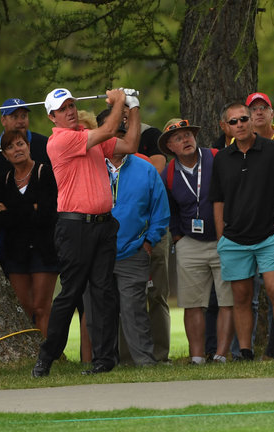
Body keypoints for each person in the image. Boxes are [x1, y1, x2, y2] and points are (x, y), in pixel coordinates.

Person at [32, 87, 140, 377]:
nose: (69, 110)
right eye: (62, 108)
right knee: (71, 292)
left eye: (71, 105)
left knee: (104, 293)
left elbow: (129, 144)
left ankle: (104, 360)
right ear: (52, 116)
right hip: (74, 226)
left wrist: (134, 105)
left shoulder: (88, 138)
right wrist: (118, 102)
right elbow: (109, 128)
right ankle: (47, 355)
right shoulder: (62, 141)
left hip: (104, 225)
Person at [209, 101, 274, 360]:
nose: (239, 125)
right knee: (241, 296)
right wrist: (221, 236)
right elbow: (217, 200)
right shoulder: (222, 158)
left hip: (269, 236)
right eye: (233, 121)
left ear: (251, 120)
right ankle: (245, 351)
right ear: (225, 126)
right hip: (234, 239)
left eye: (244, 119)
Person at [160, 119, 233, 364]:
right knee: (192, 304)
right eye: (178, 138)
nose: (186, 140)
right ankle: (198, 357)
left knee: (227, 300)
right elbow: (169, 209)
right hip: (189, 243)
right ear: (170, 146)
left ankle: (222, 354)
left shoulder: (216, 157)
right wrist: (178, 239)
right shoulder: (168, 173)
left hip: (225, 239)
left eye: (188, 135)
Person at [102, 136, 169, 366]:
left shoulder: (145, 169)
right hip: (98, 253)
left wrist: (148, 242)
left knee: (134, 310)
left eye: (122, 136)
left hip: (133, 251)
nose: (118, 142)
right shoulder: (91, 166)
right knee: (100, 311)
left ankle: (144, 362)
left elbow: (160, 210)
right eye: (112, 137)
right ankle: (105, 362)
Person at [0, 130, 60, 338]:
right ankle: (31, 356)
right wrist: (31, 208)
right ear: (5, 155)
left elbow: (48, 215)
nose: (16, 149)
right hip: (16, 253)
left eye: (20, 144)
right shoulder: (2, 181)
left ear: (28, 146)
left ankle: (48, 356)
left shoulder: (45, 173)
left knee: (41, 307)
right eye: (10, 147)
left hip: (44, 251)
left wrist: (11, 211)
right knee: (24, 307)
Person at [0, 98, 50, 177]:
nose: (20, 121)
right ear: (3, 120)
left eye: (24, 116)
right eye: (15, 117)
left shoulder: (46, 144)